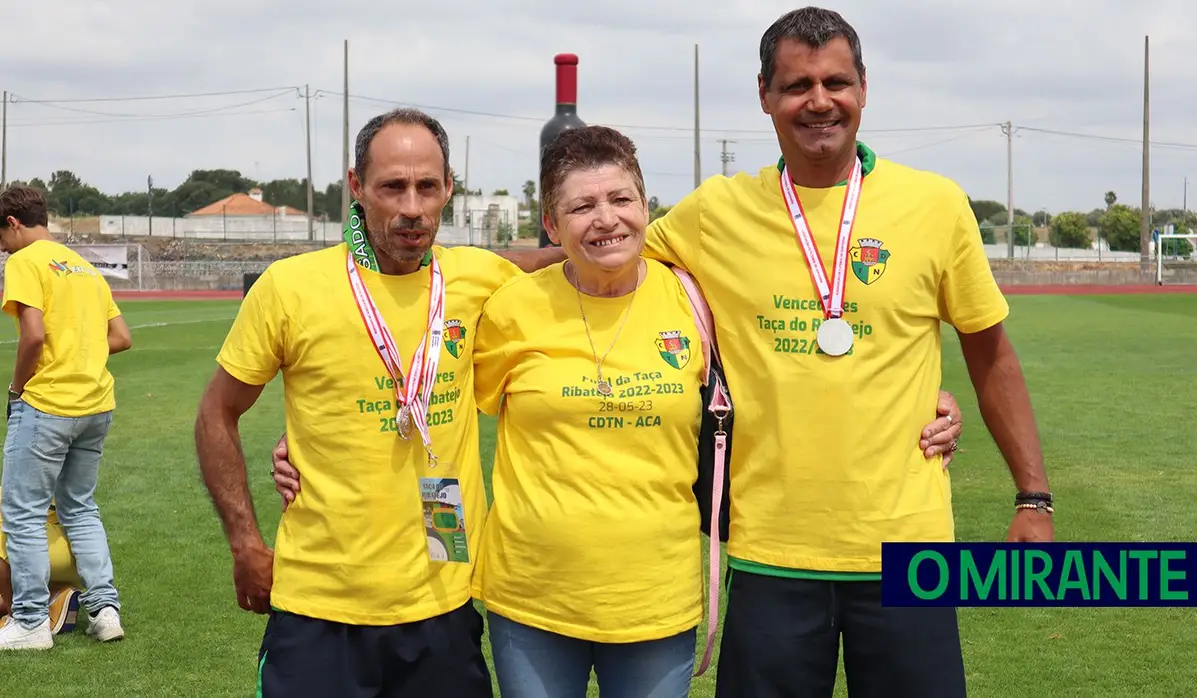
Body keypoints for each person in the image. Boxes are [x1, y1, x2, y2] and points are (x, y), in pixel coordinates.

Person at [270, 127, 968, 695]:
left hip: (656, 600)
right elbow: (424, 380)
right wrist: (307, 437)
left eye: (621, 199)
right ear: (551, 222)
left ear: (646, 206)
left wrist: (925, 400)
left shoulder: (695, 298)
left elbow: (796, 362)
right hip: (530, 596)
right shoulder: (505, 303)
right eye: (580, 207)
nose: (605, 218)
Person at [635, 7, 1055, 697]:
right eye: (798, 85)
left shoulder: (936, 205)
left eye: (837, 81)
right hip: (770, 553)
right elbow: (608, 265)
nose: (819, 101)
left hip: (908, 553)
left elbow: (990, 354)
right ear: (765, 95)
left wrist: (1033, 498)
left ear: (864, 88)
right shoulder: (715, 212)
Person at [193, 107, 560, 697]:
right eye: (392, 187)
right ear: (357, 188)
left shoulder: (477, 276)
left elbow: (567, 258)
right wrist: (245, 543)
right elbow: (217, 412)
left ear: (448, 189)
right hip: (320, 606)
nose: (412, 207)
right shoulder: (291, 288)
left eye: (427, 187)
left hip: (444, 598)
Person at [0, 184, 132, 651]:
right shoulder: (84, 267)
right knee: (79, 508)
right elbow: (121, 337)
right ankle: (106, 610)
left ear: (13, 223)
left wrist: (17, 389)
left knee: (23, 513)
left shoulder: (24, 262)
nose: (1, 246)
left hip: (48, 404)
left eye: (1, 235)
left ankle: (32, 620)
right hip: (96, 405)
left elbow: (32, 336)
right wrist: (80, 353)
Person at [0, 486, 86, 635]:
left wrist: (10, 606)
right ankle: (57, 595)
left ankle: (18, 619)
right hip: (83, 555)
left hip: (45, 553)